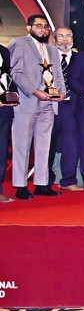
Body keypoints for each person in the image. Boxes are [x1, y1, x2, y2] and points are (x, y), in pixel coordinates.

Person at [10, 15, 65, 199]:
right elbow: (15, 72)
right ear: (29, 27)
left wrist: (62, 92)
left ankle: (41, 183)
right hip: (27, 103)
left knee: (44, 146)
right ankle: (20, 185)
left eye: (46, 27)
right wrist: (34, 91)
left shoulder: (51, 49)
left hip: (49, 104)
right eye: (39, 26)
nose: (43, 29)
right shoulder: (19, 43)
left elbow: (58, 74)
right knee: (22, 146)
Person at [47, 26, 80, 192]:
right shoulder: (46, 57)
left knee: (71, 145)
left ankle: (68, 180)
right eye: (60, 36)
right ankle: (46, 182)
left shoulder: (80, 58)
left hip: (72, 107)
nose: (65, 39)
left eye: (68, 36)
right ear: (54, 39)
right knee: (48, 144)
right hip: (49, 106)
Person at [0, 37, 18, 203]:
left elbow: (9, 78)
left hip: (5, 110)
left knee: (1, 152)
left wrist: (13, 96)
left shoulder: (4, 51)